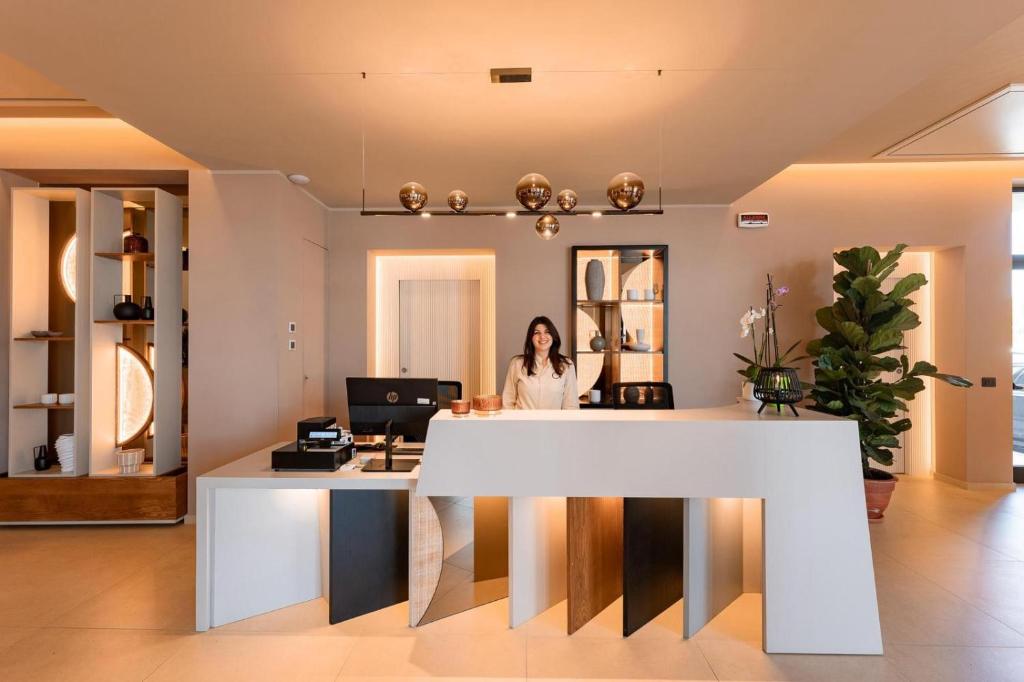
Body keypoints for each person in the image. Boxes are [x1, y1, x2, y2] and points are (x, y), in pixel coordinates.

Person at [501, 316, 580, 410]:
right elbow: (507, 402)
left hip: (553, 420)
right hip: (522, 420)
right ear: (531, 338)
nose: (542, 336)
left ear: (553, 336)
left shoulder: (566, 365)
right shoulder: (517, 364)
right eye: (537, 333)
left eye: (547, 332)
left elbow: (571, 406)